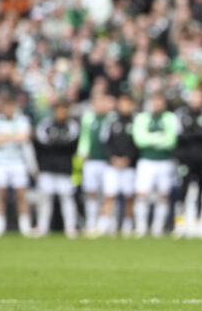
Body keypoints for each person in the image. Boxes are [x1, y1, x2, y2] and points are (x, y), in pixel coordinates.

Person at [132, 92, 178, 237]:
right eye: (154, 101)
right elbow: (140, 140)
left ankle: (158, 226)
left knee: (163, 195)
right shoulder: (142, 117)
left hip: (164, 161)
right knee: (142, 194)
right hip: (147, 160)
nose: (157, 104)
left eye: (160, 101)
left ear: (164, 103)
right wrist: (159, 137)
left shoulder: (170, 118)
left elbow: (171, 141)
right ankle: (141, 226)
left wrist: (150, 138)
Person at [174, 88, 202, 233]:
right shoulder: (181, 113)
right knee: (183, 188)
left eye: (199, 97)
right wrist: (198, 132)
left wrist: (192, 131)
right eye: (194, 97)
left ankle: (198, 222)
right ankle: (180, 222)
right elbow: (180, 135)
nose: (197, 100)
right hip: (185, 158)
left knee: (201, 189)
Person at [0, 95, 32, 235]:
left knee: (21, 194)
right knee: (1, 194)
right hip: (0, 163)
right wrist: (13, 136)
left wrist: (3, 137)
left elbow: (24, 137)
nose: (9, 109)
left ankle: (25, 226)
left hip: (18, 162)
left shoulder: (22, 120)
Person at [33, 100, 80, 237]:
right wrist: (59, 142)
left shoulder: (72, 125)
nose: (61, 113)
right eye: (59, 110)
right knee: (45, 199)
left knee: (67, 198)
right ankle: (42, 227)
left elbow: (70, 143)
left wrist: (54, 141)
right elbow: (41, 142)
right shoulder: (46, 124)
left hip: (65, 168)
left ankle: (70, 227)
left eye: (64, 110)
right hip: (47, 167)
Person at [99, 93, 139, 236]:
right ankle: (103, 225)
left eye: (128, 103)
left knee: (129, 196)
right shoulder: (111, 121)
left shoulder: (136, 121)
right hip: (112, 165)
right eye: (122, 103)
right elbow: (105, 141)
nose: (125, 106)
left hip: (129, 165)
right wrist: (113, 158)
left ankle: (128, 225)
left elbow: (138, 143)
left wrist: (128, 158)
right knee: (110, 194)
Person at [77, 92, 113, 235]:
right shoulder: (88, 118)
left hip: (108, 162)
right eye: (97, 102)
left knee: (108, 193)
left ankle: (107, 224)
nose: (100, 105)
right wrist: (82, 153)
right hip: (91, 161)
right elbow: (84, 137)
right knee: (91, 193)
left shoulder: (112, 118)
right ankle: (91, 223)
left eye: (102, 102)